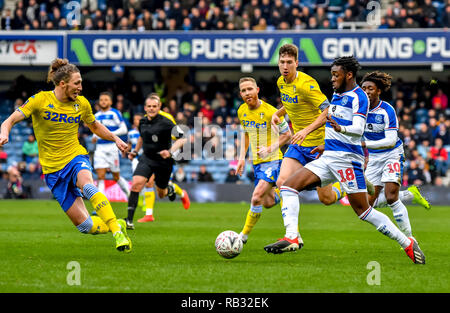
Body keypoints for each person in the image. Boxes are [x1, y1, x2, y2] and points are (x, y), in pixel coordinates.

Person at [264, 56, 425, 264]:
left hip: (348, 160)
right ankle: (292, 237)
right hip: (329, 155)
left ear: (348, 75)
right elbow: (330, 117)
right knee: (287, 187)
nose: (332, 79)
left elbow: (358, 129)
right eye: (332, 74)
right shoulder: (337, 93)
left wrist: (342, 128)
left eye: (335, 75)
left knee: (364, 211)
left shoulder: (360, 97)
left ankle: (407, 243)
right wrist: (321, 140)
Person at [0, 58, 132, 252]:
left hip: (75, 157)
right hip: (53, 171)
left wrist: (115, 138)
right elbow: (9, 120)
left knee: (87, 186)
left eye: (81, 83)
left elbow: (95, 126)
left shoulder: (81, 104)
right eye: (77, 83)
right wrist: (4, 133)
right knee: (85, 226)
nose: (80, 87)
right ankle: (117, 225)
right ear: (63, 84)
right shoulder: (40, 100)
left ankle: (117, 233)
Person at [270, 43, 352, 249]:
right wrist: (278, 113)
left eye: (290, 62)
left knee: (326, 198)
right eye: (282, 62)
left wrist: (306, 130)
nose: (285, 66)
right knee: (282, 181)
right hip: (299, 145)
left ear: (297, 63)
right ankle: (293, 236)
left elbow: (328, 110)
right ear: (278, 64)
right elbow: (291, 103)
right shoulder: (281, 82)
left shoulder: (308, 84)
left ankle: (342, 191)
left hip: (319, 145)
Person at [361, 71, 430, 240]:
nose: (367, 91)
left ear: (378, 91)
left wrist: (364, 145)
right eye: (364, 88)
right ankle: (409, 194)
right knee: (369, 204)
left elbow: (391, 140)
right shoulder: (358, 111)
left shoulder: (387, 110)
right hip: (374, 158)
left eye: (371, 88)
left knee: (392, 197)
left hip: (392, 154)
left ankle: (409, 239)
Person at [235, 77, 292, 244]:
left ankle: (242, 237)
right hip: (258, 164)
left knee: (256, 197)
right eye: (244, 91)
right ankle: (284, 193)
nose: (247, 93)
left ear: (257, 90)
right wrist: (241, 158)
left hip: (274, 160)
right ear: (241, 94)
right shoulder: (241, 111)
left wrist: (270, 148)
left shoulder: (271, 112)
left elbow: (287, 135)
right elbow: (246, 134)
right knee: (266, 202)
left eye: (249, 89)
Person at [125, 94, 190, 229]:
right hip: (147, 158)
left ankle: (170, 188)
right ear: (145, 108)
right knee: (136, 184)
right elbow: (141, 138)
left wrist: (170, 151)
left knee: (161, 193)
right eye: (149, 106)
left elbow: (183, 138)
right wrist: (135, 152)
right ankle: (129, 221)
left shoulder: (166, 122)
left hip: (163, 161)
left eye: (154, 106)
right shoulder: (142, 122)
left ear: (159, 107)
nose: (151, 109)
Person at [92, 91, 130, 198]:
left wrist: (109, 135)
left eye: (106, 100)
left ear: (111, 101)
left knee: (116, 176)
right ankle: (101, 203)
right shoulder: (96, 116)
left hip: (112, 147)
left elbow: (124, 129)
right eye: (101, 100)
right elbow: (95, 131)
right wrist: (95, 137)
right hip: (100, 148)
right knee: (100, 176)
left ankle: (130, 195)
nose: (103, 102)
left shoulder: (115, 113)